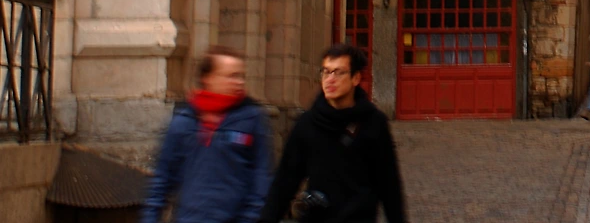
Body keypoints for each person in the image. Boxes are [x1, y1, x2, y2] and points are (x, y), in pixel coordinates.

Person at [259, 44, 406, 223]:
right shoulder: (308, 123)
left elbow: (389, 184)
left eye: (338, 72)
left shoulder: (373, 123)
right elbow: (285, 180)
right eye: (326, 72)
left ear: (355, 78)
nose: (330, 79)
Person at [141, 46, 273, 223]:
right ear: (208, 78)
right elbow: (162, 178)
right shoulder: (183, 122)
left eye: (241, 76)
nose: (239, 82)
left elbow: (261, 176)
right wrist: (151, 217)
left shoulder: (251, 119)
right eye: (231, 76)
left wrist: (251, 217)